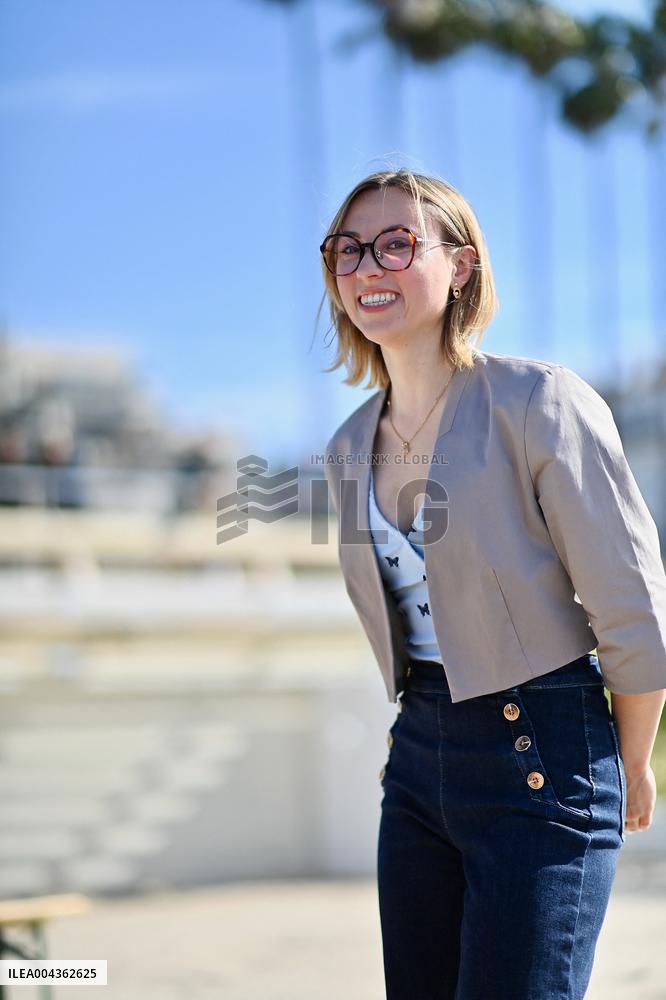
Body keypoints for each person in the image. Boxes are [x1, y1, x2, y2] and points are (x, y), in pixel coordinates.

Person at [319, 167, 666, 1000]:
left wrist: (632, 757)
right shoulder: (344, 447)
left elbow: (630, 603)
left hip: (544, 744)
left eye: (398, 243)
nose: (369, 267)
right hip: (416, 762)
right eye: (348, 250)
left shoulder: (538, 401)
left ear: (461, 265)